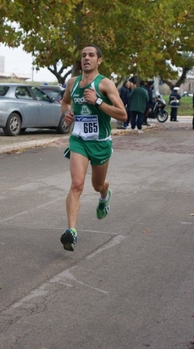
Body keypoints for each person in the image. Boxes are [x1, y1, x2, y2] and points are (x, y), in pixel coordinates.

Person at [60, 44, 127, 251]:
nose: (86, 58)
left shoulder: (105, 84)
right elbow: (64, 103)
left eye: (91, 55)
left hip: (100, 142)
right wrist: (67, 114)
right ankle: (71, 232)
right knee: (77, 184)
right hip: (79, 140)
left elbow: (123, 115)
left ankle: (105, 195)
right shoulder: (72, 82)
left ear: (99, 60)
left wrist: (98, 101)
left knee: (97, 185)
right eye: (83, 55)